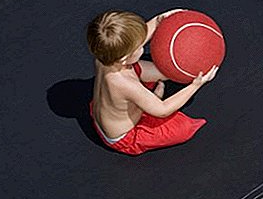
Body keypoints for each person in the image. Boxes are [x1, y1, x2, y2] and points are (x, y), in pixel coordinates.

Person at [87, 9, 219, 155]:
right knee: (184, 128)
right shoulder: (124, 83)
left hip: (105, 114)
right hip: (125, 137)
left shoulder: (104, 56)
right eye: (140, 48)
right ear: (124, 58)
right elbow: (162, 110)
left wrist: (159, 20)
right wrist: (196, 85)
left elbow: (132, 41)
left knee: (165, 70)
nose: (143, 46)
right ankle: (148, 103)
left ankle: (153, 92)